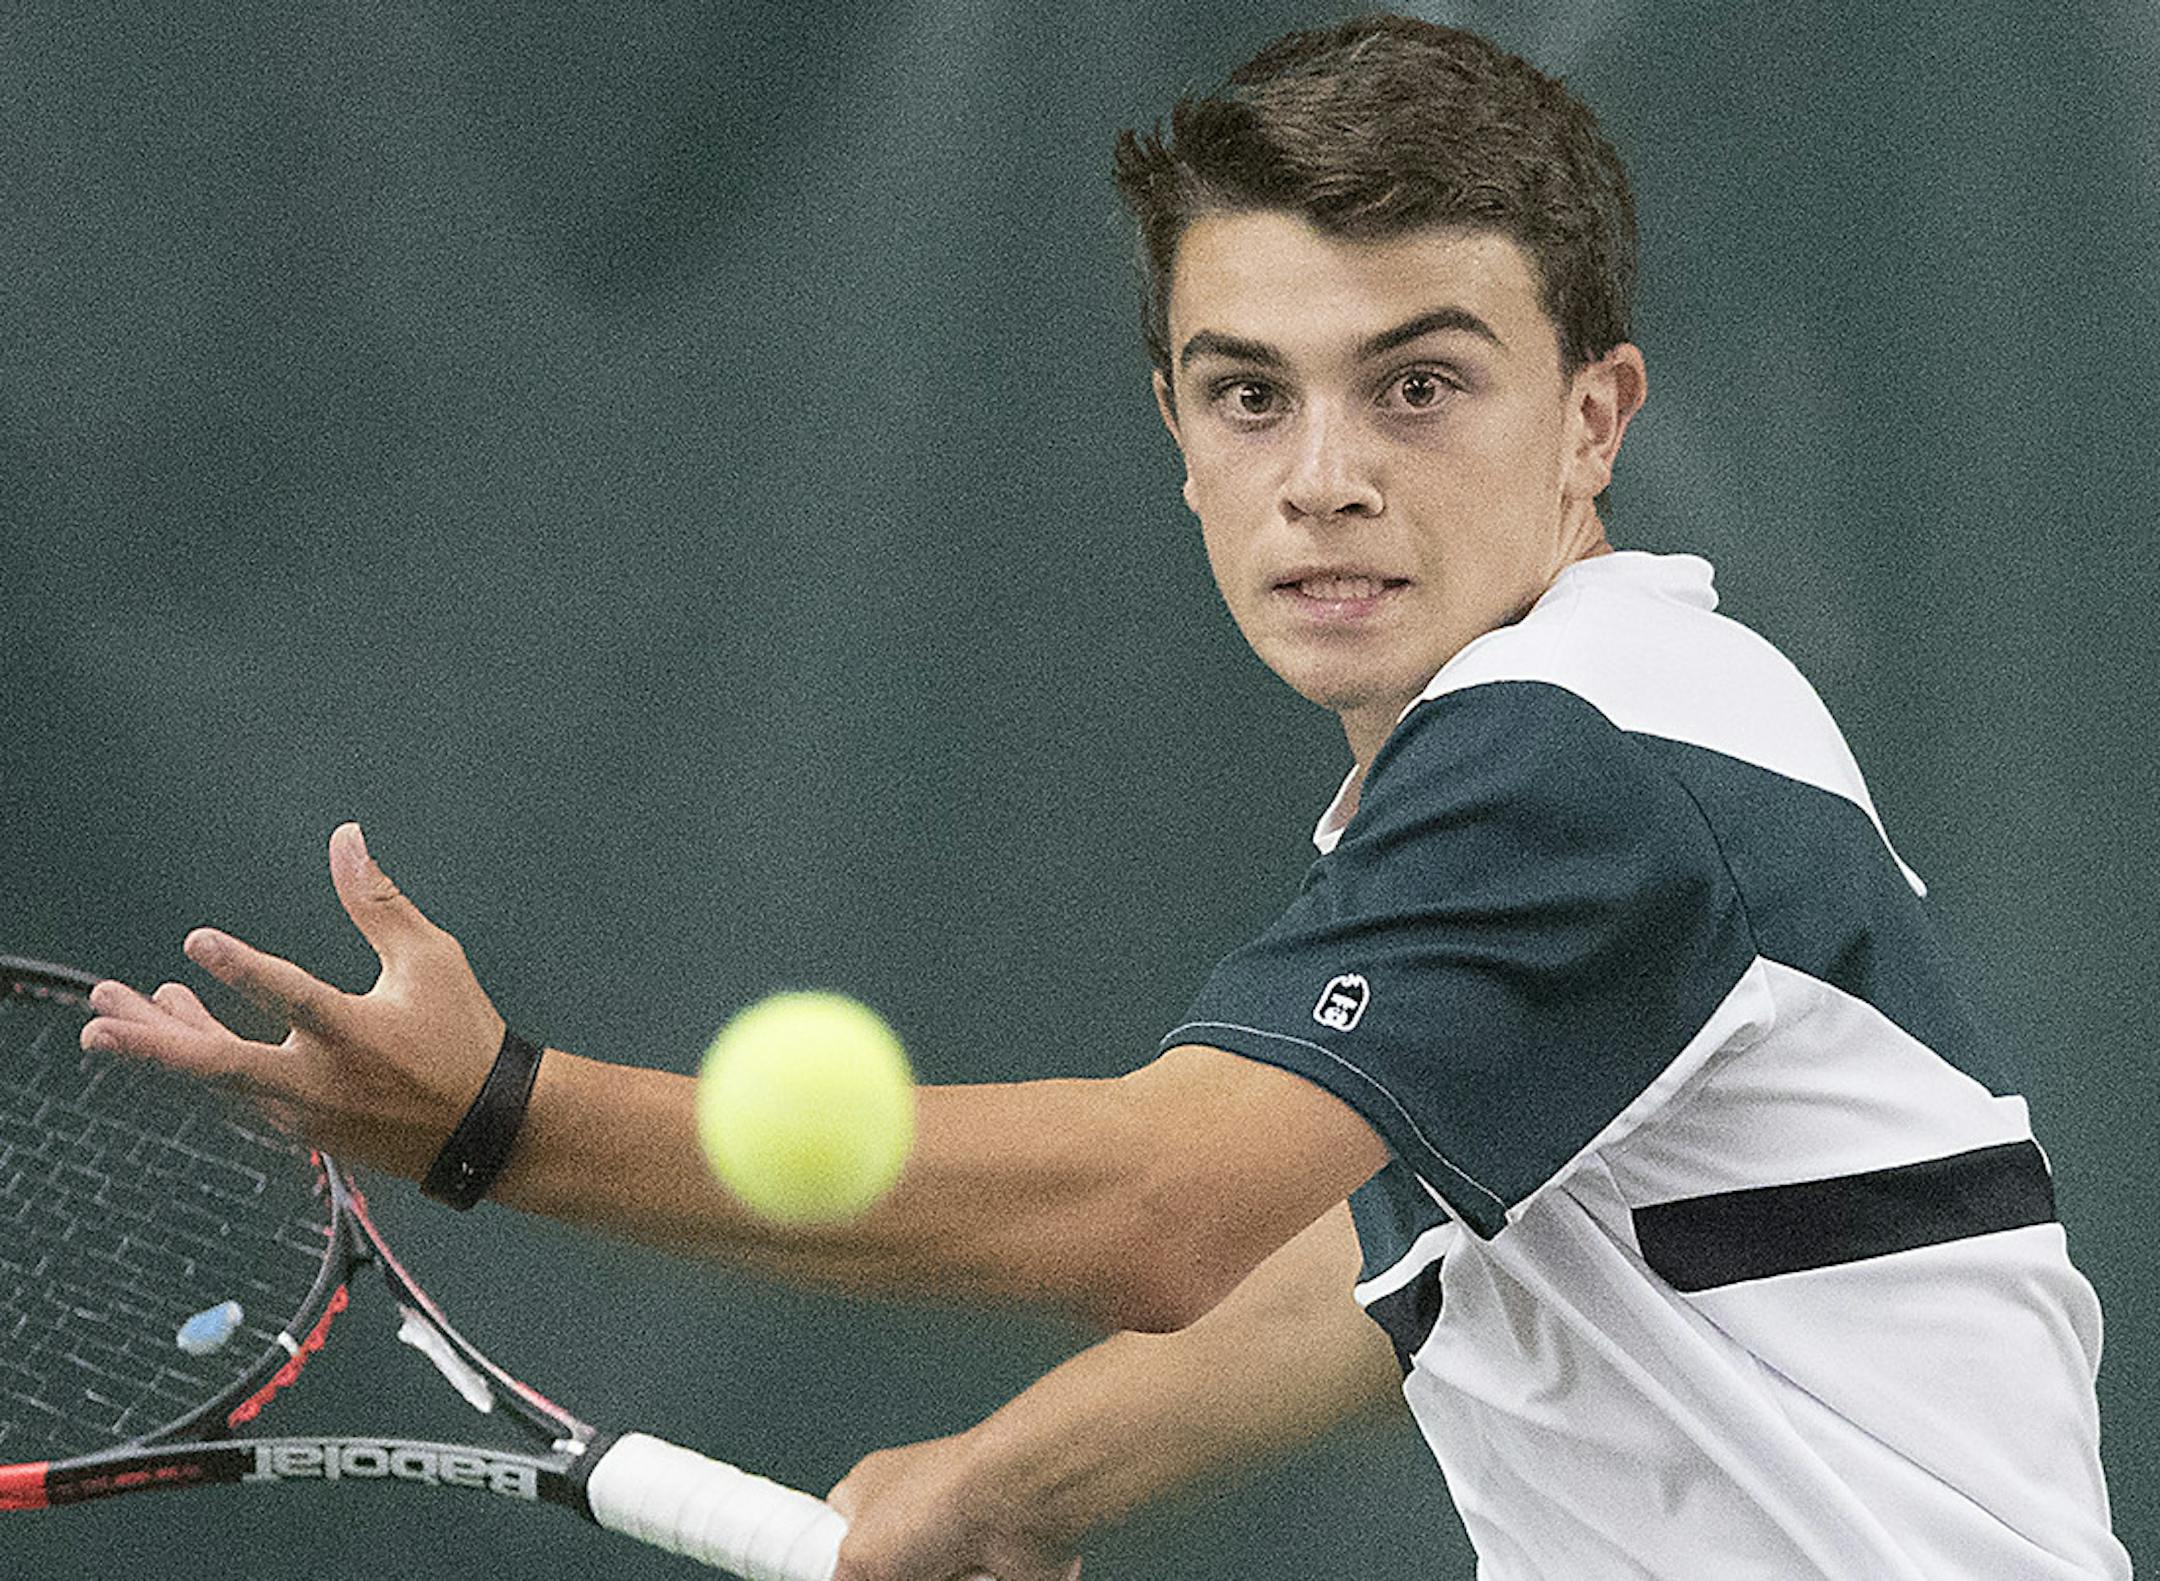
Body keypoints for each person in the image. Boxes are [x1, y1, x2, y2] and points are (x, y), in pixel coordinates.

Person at [81, 16, 2127, 1580]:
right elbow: (1392, 1264)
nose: (1323, 471)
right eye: (1252, 390)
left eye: (1419, 383)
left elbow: (1157, 1208)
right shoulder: (1651, 720)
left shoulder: (1579, 755)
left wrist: (497, 1119)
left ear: (1594, 418)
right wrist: (1012, 1472)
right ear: (1177, 426)